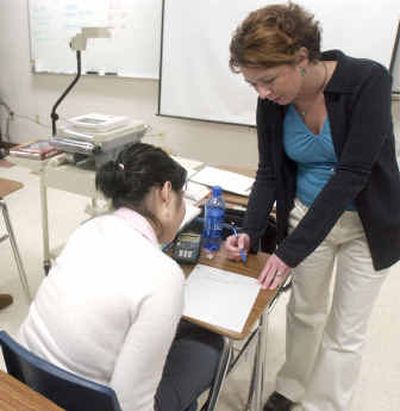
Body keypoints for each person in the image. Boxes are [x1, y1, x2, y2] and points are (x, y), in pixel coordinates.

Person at [225, 3, 400, 411]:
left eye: (267, 80)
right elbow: (268, 172)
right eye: (254, 85)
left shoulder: (368, 80)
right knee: (305, 312)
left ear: (302, 57)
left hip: (368, 226)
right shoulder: (272, 102)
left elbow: (352, 174)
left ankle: (324, 405)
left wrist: (288, 252)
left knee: (345, 331)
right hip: (306, 216)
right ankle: (292, 387)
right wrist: (248, 229)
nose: (263, 93)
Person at [18, 142, 223, 411]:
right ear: (165, 193)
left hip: (28, 379)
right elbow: (129, 405)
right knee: (209, 346)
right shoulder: (163, 276)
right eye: (183, 197)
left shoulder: (87, 229)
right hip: (88, 402)